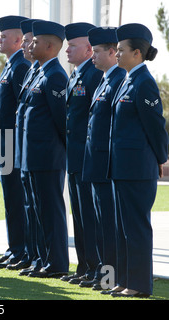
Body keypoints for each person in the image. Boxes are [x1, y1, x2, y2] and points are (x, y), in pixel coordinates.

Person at [105, 23, 168, 298]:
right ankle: (123, 279)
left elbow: (155, 125)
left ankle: (140, 285)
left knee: (136, 227)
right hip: (122, 166)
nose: (116, 54)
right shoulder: (128, 79)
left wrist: (162, 159)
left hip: (138, 168)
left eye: (121, 50)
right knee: (122, 228)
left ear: (137, 54)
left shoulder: (144, 83)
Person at [19, 20, 69, 278]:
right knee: (36, 211)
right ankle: (41, 259)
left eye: (36, 41)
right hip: (32, 156)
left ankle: (57, 263)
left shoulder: (56, 76)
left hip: (48, 157)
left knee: (50, 212)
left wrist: (59, 152)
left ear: (50, 46)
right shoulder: (39, 72)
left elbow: (62, 121)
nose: (30, 44)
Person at [80, 27, 126, 289]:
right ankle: (102, 273)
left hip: (107, 164)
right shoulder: (104, 78)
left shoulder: (119, 78)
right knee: (99, 224)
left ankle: (111, 277)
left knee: (109, 225)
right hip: (94, 163)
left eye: (97, 51)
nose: (93, 56)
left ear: (112, 52)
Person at [62, 22, 103, 284]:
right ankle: (85, 268)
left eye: (72, 45)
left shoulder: (94, 74)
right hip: (75, 156)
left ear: (89, 49)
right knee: (79, 216)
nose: (67, 50)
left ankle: (97, 270)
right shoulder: (77, 74)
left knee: (91, 217)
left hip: (87, 157)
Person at [0, 15, 31, 269]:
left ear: (18, 40)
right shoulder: (10, 65)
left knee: (17, 199)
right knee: (10, 200)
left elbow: (20, 110)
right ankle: (14, 248)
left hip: (13, 146)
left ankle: (22, 250)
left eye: (4, 36)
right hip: (4, 145)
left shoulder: (21, 66)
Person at [14, 18, 42, 274]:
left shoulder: (48, 74)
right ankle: (26, 253)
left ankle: (46, 260)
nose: (26, 45)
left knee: (45, 210)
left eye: (29, 41)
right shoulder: (31, 70)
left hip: (42, 153)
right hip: (20, 147)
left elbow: (58, 119)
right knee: (24, 205)